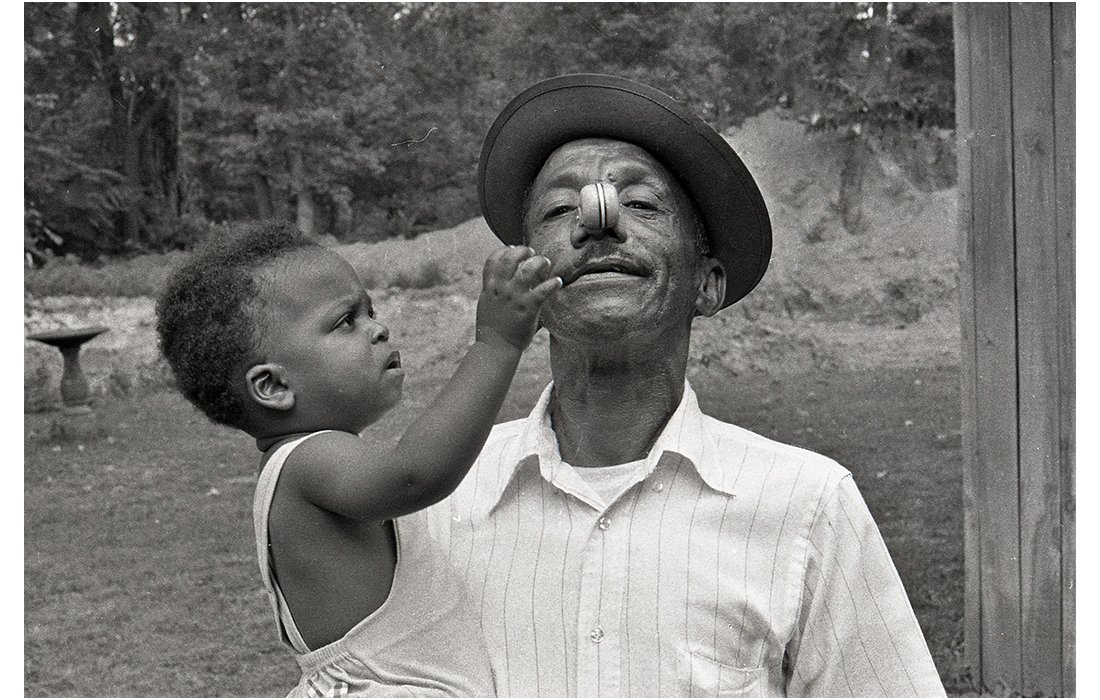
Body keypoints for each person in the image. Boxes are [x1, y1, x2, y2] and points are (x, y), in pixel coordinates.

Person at [423, 74, 946, 697]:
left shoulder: (806, 505)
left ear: (708, 285)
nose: (599, 223)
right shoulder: (436, 501)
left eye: (642, 204)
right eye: (561, 210)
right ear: (525, 280)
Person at [155, 221, 560, 696]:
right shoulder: (307, 462)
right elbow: (414, 475)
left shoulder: (312, 465)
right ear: (274, 386)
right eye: (346, 321)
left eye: (371, 311)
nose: (378, 328)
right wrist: (497, 344)